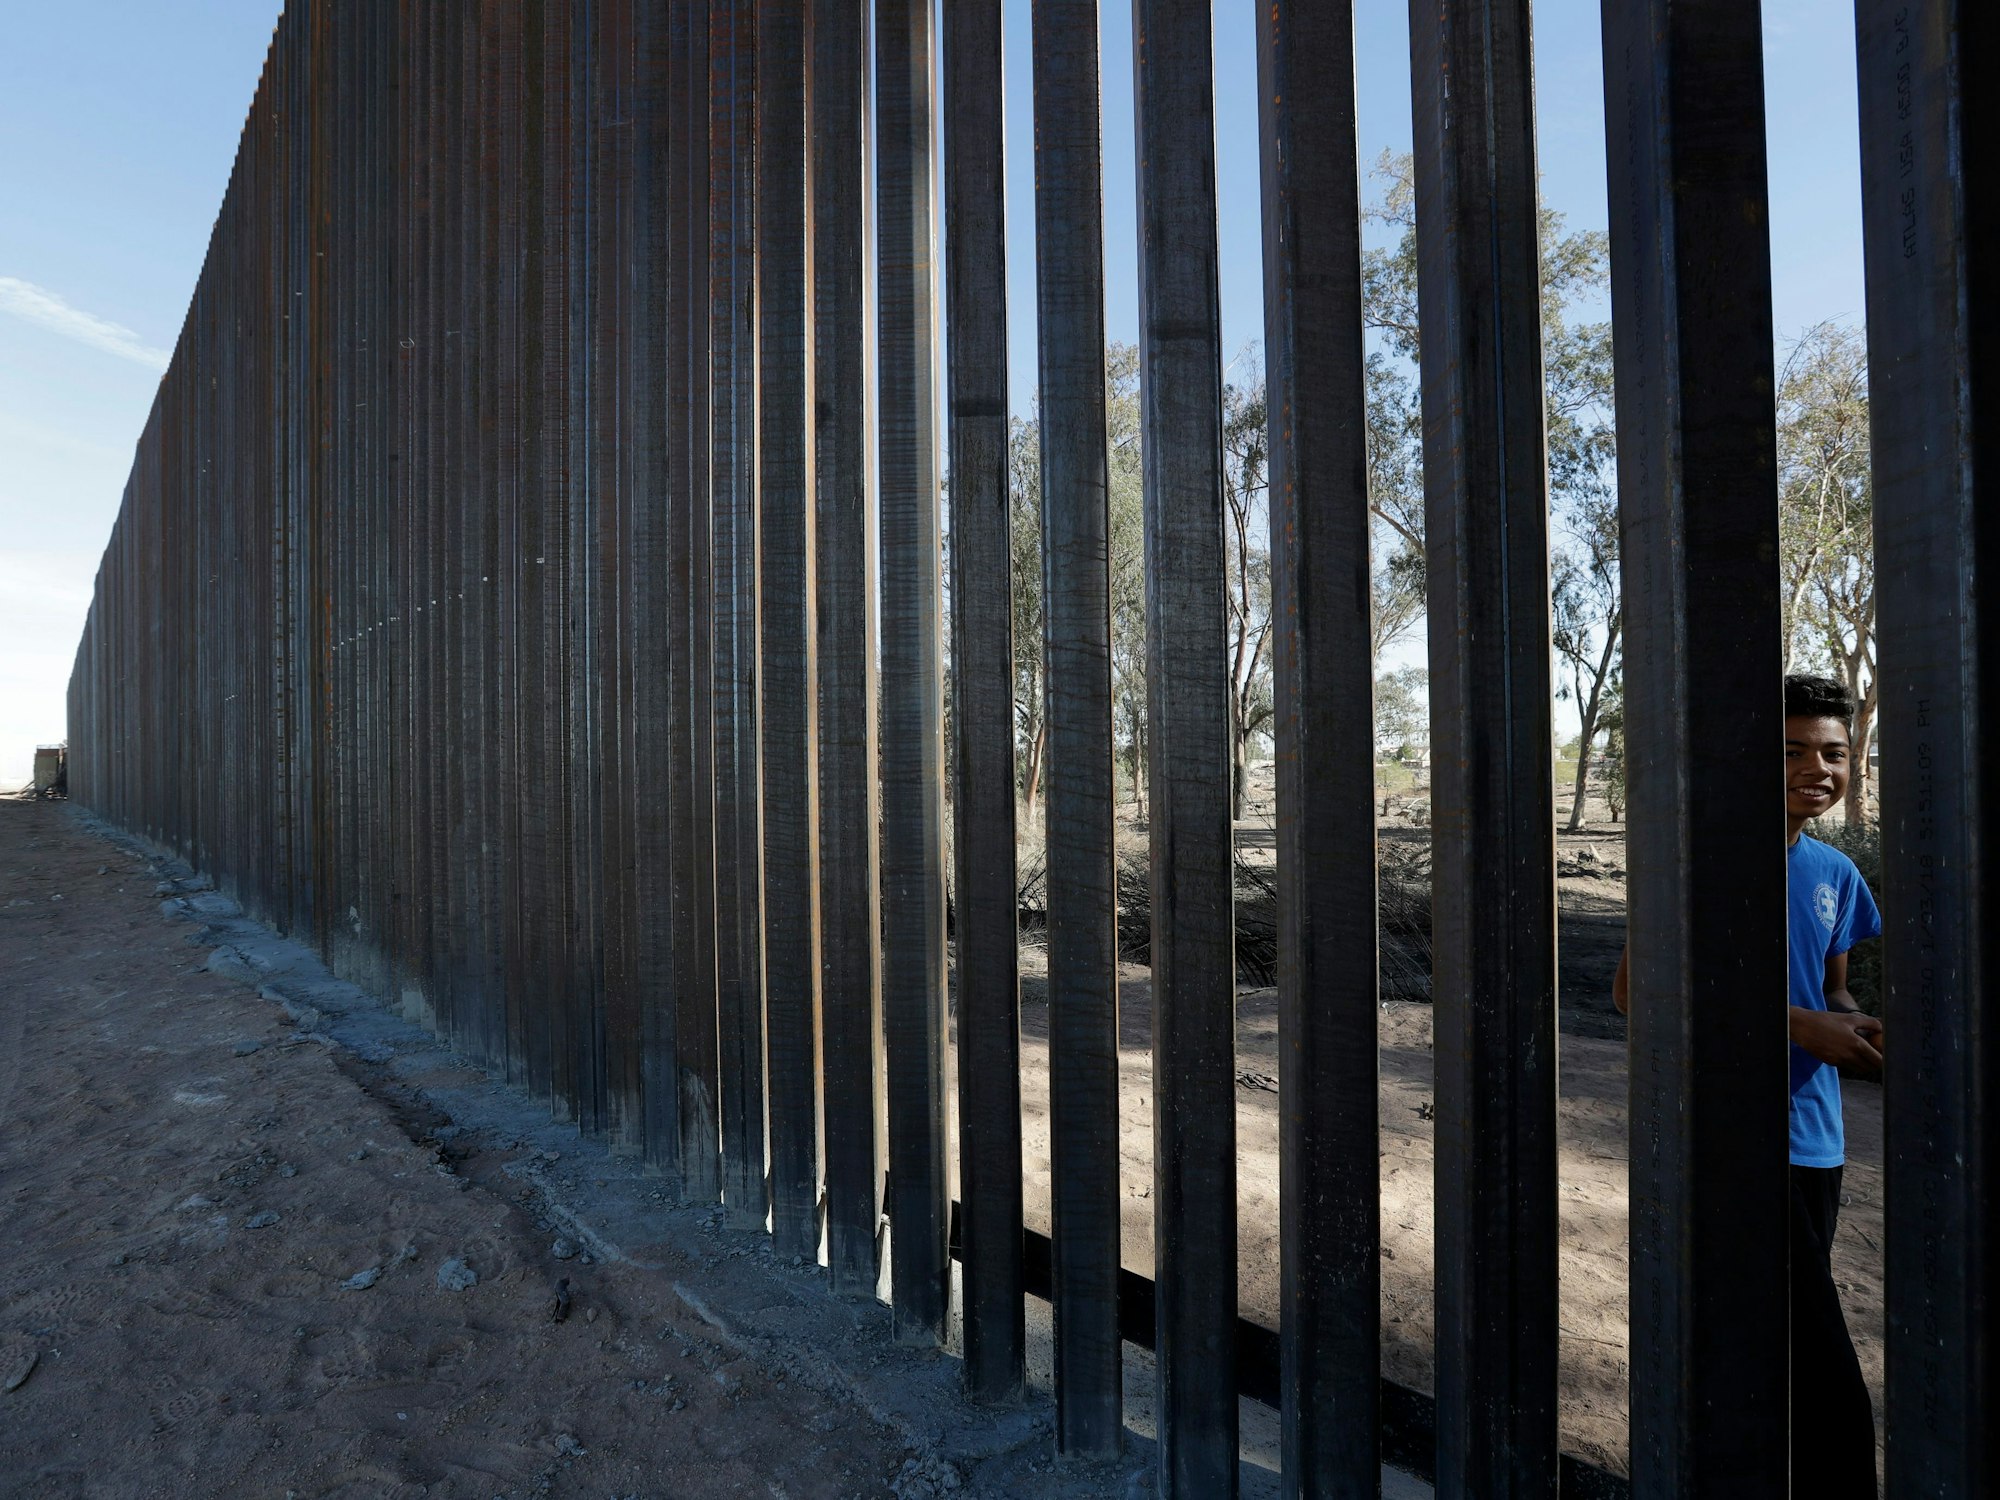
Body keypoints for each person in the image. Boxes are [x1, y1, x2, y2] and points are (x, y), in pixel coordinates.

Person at [1612, 672, 1882, 1496]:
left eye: (1834, 752)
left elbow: (1832, 991)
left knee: (1773, 1344)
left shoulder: (1836, 873)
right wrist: (1806, 1028)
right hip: (1726, 1136)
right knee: (1826, 1375)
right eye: (1793, 749)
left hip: (1816, 1142)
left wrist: (1860, 1030)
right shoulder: (1699, 858)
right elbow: (1636, 991)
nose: (1818, 768)